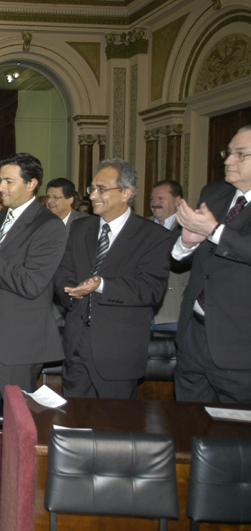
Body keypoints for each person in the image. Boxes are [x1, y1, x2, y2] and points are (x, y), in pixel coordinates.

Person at [0, 153, 66, 514]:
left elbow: (33, 283)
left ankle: (15, 488)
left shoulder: (48, 226)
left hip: (20, 335)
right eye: (1, 180)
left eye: (9, 181)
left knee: (18, 420)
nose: (1, 188)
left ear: (31, 184)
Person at [54, 159, 172, 399]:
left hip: (118, 353)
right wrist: (72, 293)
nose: (93, 195)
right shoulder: (80, 228)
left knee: (114, 421)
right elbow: (62, 272)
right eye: (92, 188)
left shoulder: (153, 236)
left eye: (101, 189)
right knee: (74, 419)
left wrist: (102, 285)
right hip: (76, 349)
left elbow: (151, 289)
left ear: (126, 193)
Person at [173, 125, 251, 403]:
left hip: (239, 348)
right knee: (187, 423)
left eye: (240, 154)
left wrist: (215, 231)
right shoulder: (214, 192)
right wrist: (186, 243)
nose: (229, 160)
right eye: (228, 152)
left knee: (235, 428)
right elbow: (186, 257)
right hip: (193, 336)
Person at [148, 180, 190, 332]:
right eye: (152, 198)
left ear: (177, 201)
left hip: (175, 310)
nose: (155, 203)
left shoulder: (190, 227)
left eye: (161, 198)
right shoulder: (140, 226)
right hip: (142, 312)